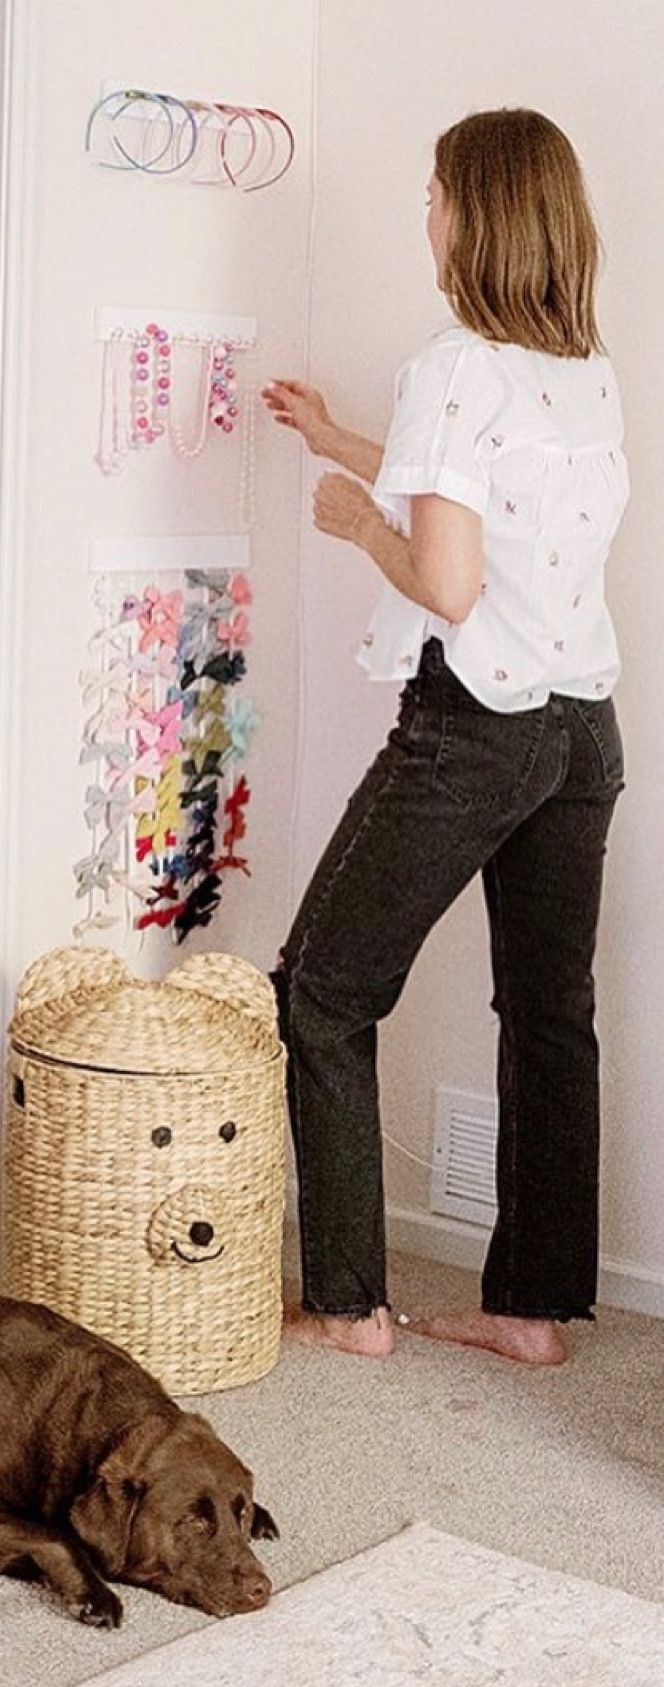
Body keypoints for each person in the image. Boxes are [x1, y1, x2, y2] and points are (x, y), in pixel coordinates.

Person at [262, 107, 626, 1365]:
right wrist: (335, 436)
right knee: (545, 1013)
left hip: (474, 728)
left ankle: (348, 1301)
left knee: (316, 991)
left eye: (431, 195)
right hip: (581, 730)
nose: (421, 214)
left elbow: (447, 575)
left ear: (475, 215)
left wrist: (354, 518)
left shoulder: (454, 360)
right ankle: (529, 1312)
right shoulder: (579, 371)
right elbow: (477, 492)